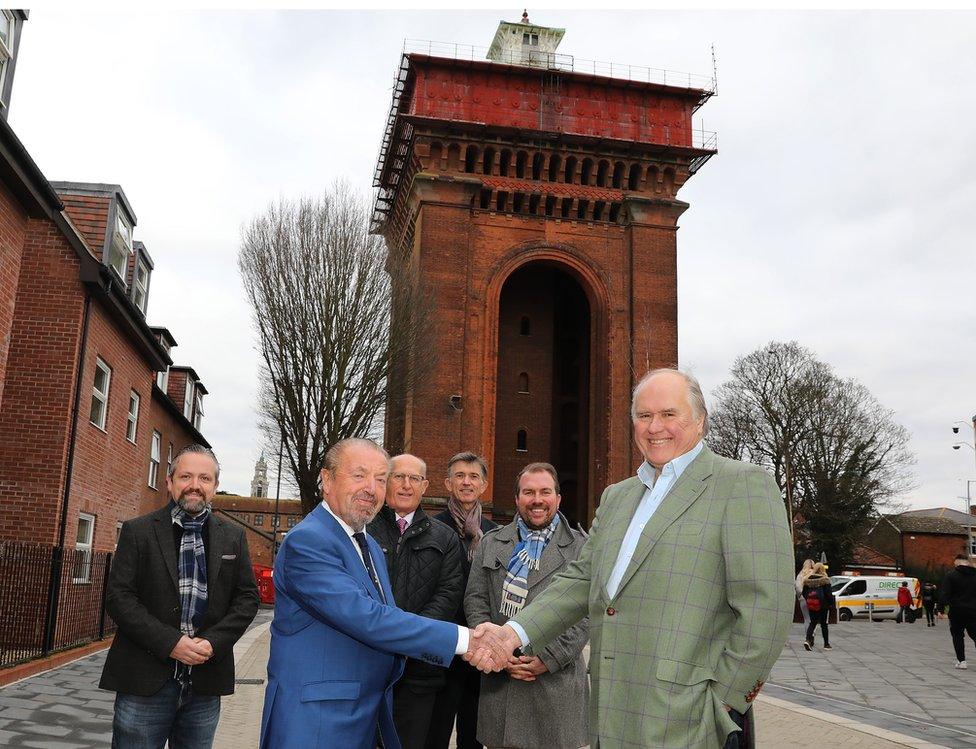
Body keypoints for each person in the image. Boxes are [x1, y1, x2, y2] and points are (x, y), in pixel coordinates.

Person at [467, 368, 795, 749]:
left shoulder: (741, 485)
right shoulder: (618, 496)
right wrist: (512, 634)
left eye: (669, 414)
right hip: (611, 712)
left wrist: (725, 702)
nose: (655, 427)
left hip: (689, 719)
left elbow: (765, 610)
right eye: (644, 415)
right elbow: (581, 579)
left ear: (700, 420)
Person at [260, 438, 492, 749]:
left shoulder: (367, 543)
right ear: (326, 480)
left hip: (366, 713)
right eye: (359, 475)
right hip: (318, 720)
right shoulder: (309, 541)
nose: (371, 488)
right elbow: (368, 618)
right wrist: (465, 640)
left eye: (380, 479)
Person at [100, 444, 260, 749]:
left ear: (214, 486)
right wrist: (171, 643)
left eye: (205, 478)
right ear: (170, 482)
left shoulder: (233, 536)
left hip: (205, 683)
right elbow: (119, 598)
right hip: (144, 684)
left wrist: (214, 642)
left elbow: (247, 598)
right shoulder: (139, 531)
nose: (195, 486)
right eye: (186, 476)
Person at [464, 462, 589, 749]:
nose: (537, 500)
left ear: (558, 498)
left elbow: (587, 613)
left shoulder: (581, 548)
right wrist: (496, 651)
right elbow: (476, 600)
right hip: (502, 687)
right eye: (528, 492)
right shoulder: (492, 543)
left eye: (545, 492)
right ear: (517, 499)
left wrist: (549, 658)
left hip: (556, 689)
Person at [366, 454, 464, 748]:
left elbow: (448, 595)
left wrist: (409, 640)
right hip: (367, 668)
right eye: (398, 477)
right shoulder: (364, 529)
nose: (406, 485)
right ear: (386, 481)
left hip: (419, 673)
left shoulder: (445, 538)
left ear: (425, 486)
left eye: (414, 479)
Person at [426, 452, 498, 749]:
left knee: (474, 734)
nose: (466, 482)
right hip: (444, 644)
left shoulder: (496, 535)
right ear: (447, 483)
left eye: (473, 477)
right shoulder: (431, 528)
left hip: (481, 646)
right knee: (436, 730)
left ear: (483, 485)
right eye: (459, 476)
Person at [938, 554, 976, 670]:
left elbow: (945, 594)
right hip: (974, 611)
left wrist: (941, 609)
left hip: (957, 611)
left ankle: (961, 661)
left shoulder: (951, 575)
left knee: (957, 635)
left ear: (957, 563)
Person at [801, 563, 833, 651]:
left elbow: (804, 593)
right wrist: (831, 604)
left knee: (812, 623)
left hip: (812, 604)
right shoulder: (825, 580)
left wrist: (809, 599)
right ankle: (826, 644)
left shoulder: (808, 580)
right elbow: (828, 594)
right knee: (824, 624)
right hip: (823, 606)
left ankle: (807, 640)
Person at [795, 559, 815, 626]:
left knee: (806, 619)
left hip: (803, 598)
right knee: (813, 618)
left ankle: (808, 635)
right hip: (814, 598)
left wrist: (800, 596)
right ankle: (812, 634)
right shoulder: (814, 574)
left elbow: (797, 587)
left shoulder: (800, 575)